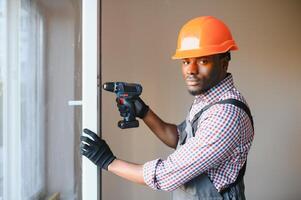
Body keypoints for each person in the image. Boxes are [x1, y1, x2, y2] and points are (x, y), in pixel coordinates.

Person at [80, 16, 254, 200]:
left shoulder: (226, 114)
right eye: (186, 61)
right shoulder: (208, 99)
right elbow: (179, 139)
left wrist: (108, 162)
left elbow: (166, 176)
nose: (191, 70)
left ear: (224, 62)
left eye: (203, 61)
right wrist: (144, 112)